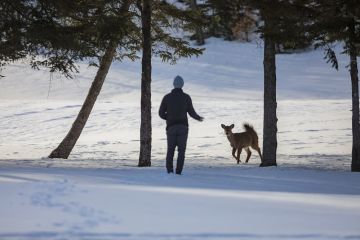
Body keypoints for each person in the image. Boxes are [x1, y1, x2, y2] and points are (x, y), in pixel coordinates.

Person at [159, 75, 204, 175]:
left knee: (170, 150)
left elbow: (161, 113)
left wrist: (169, 118)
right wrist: (198, 118)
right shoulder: (186, 97)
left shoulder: (167, 97)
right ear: (182, 85)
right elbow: (191, 112)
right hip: (183, 127)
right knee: (181, 151)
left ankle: (170, 171)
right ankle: (178, 172)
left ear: (173, 84)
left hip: (171, 127)